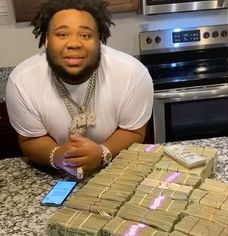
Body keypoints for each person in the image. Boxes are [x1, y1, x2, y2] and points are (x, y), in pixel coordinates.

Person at [6, 0, 153, 179]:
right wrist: (58, 156)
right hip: (55, 176)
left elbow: (134, 131)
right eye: (62, 34)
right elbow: (30, 139)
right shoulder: (21, 81)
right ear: (46, 39)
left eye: (85, 35)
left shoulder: (133, 74)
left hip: (117, 171)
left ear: (99, 40)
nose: (74, 43)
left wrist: (102, 152)